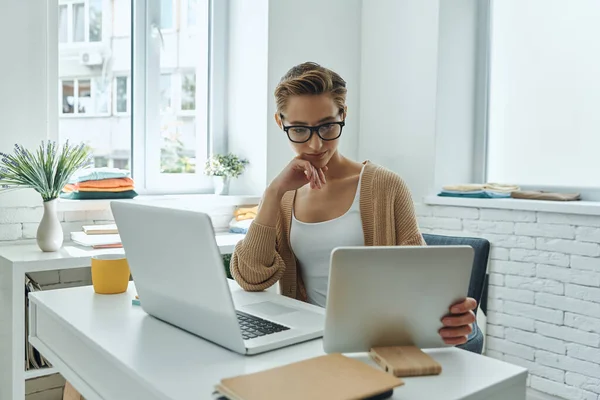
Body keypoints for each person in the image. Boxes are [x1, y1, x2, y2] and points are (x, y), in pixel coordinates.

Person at [231, 62, 476, 346]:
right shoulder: (283, 194)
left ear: (343, 114)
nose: (315, 145)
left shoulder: (385, 185)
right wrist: (273, 193)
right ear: (280, 122)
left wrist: (449, 313)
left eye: (327, 126)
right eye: (299, 130)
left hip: (375, 341)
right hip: (305, 341)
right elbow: (250, 278)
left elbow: (419, 280)